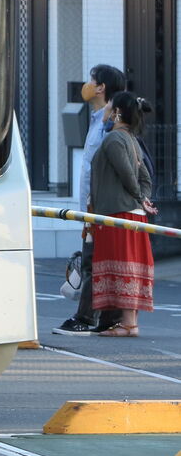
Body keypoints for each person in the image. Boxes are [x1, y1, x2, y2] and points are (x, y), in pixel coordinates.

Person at [53, 64, 127, 335]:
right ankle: (109, 318)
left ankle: (85, 318)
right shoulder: (98, 119)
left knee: (92, 261)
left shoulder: (110, 124)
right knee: (100, 260)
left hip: (102, 205)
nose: (86, 85)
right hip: (92, 204)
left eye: (91, 80)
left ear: (101, 88)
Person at [88, 90, 157, 337]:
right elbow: (144, 176)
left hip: (118, 213)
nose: (106, 109)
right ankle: (130, 322)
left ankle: (129, 323)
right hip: (132, 213)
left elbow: (129, 175)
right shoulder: (131, 139)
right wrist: (144, 198)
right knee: (131, 266)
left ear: (117, 112)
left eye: (110, 106)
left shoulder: (114, 139)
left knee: (123, 265)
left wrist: (139, 196)